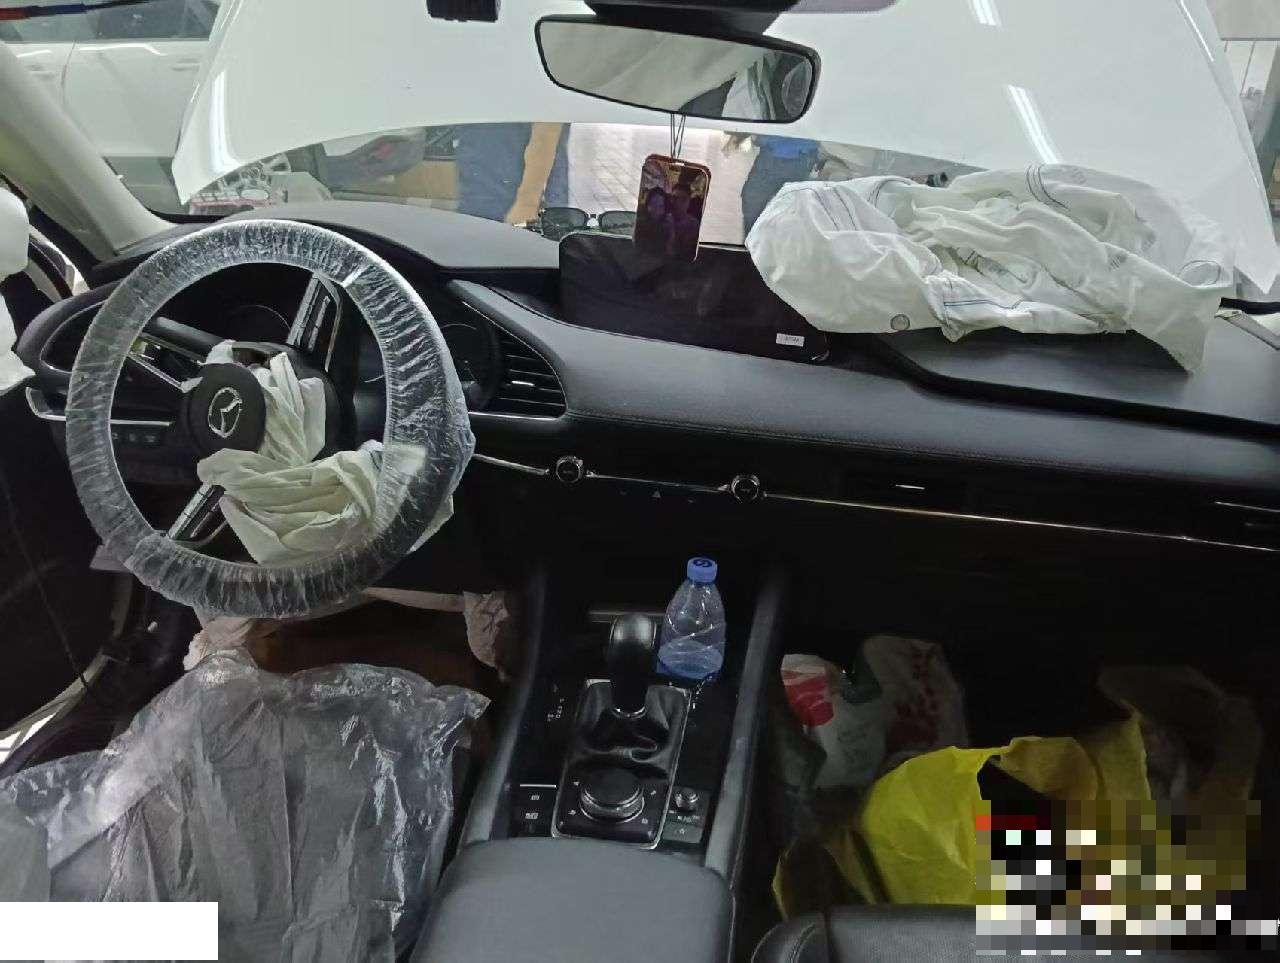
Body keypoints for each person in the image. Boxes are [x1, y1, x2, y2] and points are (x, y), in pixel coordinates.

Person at [740, 134, 819, 234]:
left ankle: (757, 239)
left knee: (790, 211)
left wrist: (759, 137)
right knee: (753, 202)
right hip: (777, 155)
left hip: (797, 156)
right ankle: (755, 239)